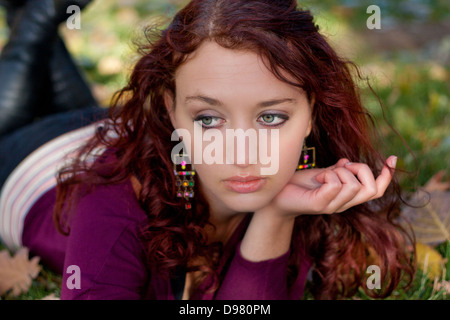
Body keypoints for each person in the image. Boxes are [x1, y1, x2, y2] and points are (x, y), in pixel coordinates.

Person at [0, 0, 416, 300]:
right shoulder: (112, 207)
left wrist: (277, 213)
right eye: (209, 119)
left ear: (311, 114)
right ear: (171, 109)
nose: (243, 154)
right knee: (28, 49)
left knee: (39, 59)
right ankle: (37, 16)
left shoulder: (304, 186)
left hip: (107, 128)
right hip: (24, 158)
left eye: (270, 118)